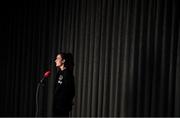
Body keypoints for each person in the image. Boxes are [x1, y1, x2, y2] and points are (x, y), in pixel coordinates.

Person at [53, 52, 75, 117]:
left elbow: (71, 91)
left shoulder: (68, 74)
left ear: (63, 60)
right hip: (56, 107)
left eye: (57, 58)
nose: (55, 60)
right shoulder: (59, 73)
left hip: (63, 108)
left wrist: (66, 103)